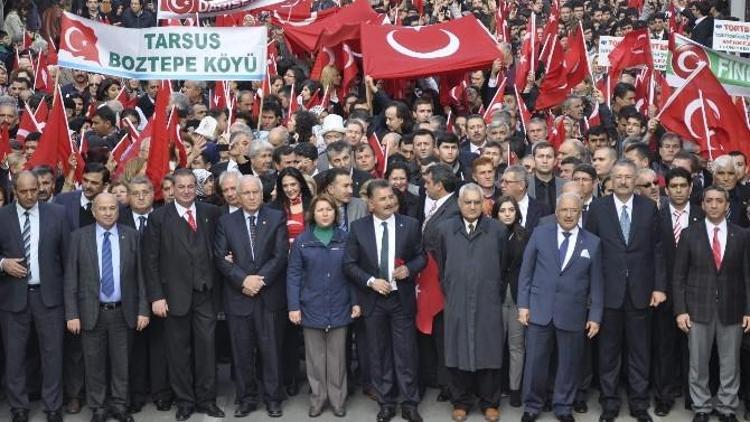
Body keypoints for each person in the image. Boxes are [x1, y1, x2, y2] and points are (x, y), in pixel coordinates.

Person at [585, 159, 665, 422]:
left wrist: (658, 287)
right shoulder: (598, 209)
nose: (623, 181)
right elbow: (591, 252)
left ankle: (639, 403)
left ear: (635, 180)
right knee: (608, 353)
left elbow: (657, 250)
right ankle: (609, 404)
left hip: (641, 292)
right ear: (611, 179)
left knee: (639, 351)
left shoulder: (648, 207)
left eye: (628, 177)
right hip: (609, 293)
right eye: (618, 176)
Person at [142, 168, 224, 421]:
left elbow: (220, 248)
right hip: (173, 296)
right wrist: (156, 297)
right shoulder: (159, 218)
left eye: (191, 186)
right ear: (173, 189)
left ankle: (207, 399)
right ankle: (185, 401)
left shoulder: (211, 213)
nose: (187, 191)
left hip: (205, 295)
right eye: (182, 187)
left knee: (207, 350)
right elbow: (150, 261)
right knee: (178, 353)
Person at [517, 192, 604, 422]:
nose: (568, 214)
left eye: (573, 210)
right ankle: (533, 406)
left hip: (573, 313)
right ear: (556, 212)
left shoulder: (593, 243)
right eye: (564, 210)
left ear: (580, 212)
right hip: (539, 310)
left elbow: (597, 284)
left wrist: (595, 316)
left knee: (569, 364)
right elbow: (526, 273)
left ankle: (563, 406)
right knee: (535, 361)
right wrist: (523, 305)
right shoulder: (540, 234)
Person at [344, 179, 426, 422]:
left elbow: (422, 257)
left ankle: (410, 403)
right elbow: (349, 264)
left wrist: (409, 269)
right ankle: (386, 402)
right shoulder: (358, 228)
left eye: (391, 197)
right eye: (383, 198)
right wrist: (370, 281)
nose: (390, 201)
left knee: (406, 352)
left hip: (401, 299)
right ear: (371, 203)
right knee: (379, 353)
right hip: (373, 300)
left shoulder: (410, 225)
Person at [64, 192, 150, 422]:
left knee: (122, 363)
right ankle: (98, 407)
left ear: (118, 210)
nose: (108, 212)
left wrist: (143, 309)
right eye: (103, 208)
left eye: (112, 208)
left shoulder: (131, 236)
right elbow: (71, 278)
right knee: (94, 364)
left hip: (124, 311)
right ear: (93, 211)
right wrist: (72, 313)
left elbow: (141, 276)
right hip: (91, 312)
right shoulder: (79, 238)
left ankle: (121, 405)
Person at [214, 175, 289, 418]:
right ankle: (246, 399)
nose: (251, 197)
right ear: (237, 194)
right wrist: (243, 280)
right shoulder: (226, 222)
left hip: (268, 296)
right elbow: (219, 257)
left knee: (271, 352)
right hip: (239, 297)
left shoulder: (276, 217)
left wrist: (258, 280)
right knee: (242, 352)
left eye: (255, 192)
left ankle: (273, 398)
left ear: (261, 193)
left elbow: (279, 256)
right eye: (245, 193)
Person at [673, 185, 750, 422]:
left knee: (730, 363)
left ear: (727, 206)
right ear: (703, 204)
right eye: (709, 201)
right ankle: (702, 408)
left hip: (733, 309)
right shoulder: (689, 234)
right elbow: (679, 276)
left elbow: (747, 275)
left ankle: (727, 408)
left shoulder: (742, 234)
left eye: (719, 201)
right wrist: (681, 310)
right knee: (698, 363)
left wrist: (748, 310)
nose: (714, 205)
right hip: (697, 309)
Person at [0, 171, 69, 422]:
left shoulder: (58, 214)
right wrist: (3, 263)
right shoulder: (2, 217)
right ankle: (19, 406)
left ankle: (53, 406)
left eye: (34, 190)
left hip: (49, 298)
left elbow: (68, 257)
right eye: (24, 191)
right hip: (12, 299)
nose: (30, 195)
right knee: (15, 355)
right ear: (14, 192)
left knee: (53, 354)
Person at [435, 183, 506, 422]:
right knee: (457, 349)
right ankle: (461, 401)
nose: (473, 206)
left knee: (490, 349)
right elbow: (442, 267)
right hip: (457, 299)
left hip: (488, 300)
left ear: (484, 203)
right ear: (459, 204)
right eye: (468, 202)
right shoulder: (445, 230)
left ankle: (490, 402)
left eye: (477, 202)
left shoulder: (497, 230)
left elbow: (504, 266)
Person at [287, 194, 360, 418]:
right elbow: (294, 275)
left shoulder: (345, 239)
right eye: (320, 210)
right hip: (311, 306)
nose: (325, 214)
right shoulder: (302, 241)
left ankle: (338, 400)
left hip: (340, 304)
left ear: (335, 213)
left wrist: (355, 302)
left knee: (337, 358)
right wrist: (294, 306)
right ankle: (318, 399)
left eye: (329, 209)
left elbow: (353, 273)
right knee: (315, 358)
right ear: (313, 214)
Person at [653, 167, 703, 416]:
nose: (680, 190)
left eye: (684, 185)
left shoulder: (702, 215)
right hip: (664, 293)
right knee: (665, 346)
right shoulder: (657, 216)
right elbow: (654, 255)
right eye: (674, 186)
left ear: (691, 188)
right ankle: (664, 396)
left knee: (693, 347)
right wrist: (658, 288)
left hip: (695, 293)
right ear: (667, 189)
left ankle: (693, 395)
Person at [418, 163, 460, 402]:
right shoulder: (441, 207)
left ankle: (450, 384)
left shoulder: (453, 210)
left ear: (440, 185)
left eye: (428, 182)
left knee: (445, 336)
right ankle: (442, 380)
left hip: (443, 283)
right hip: (431, 281)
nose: (424, 186)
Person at [493, 195, 528, 408]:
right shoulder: (488, 234)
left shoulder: (525, 235)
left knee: (516, 346)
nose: (507, 214)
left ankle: (515, 390)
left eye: (511, 210)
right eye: (502, 210)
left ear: (517, 212)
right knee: (495, 346)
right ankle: (495, 389)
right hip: (494, 298)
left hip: (517, 298)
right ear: (496, 213)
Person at [269, 167, 313, 244]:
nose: (289, 189)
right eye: (285, 186)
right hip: (284, 254)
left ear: (301, 184)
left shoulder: (313, 204)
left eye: (293, 184)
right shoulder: (273, 209)